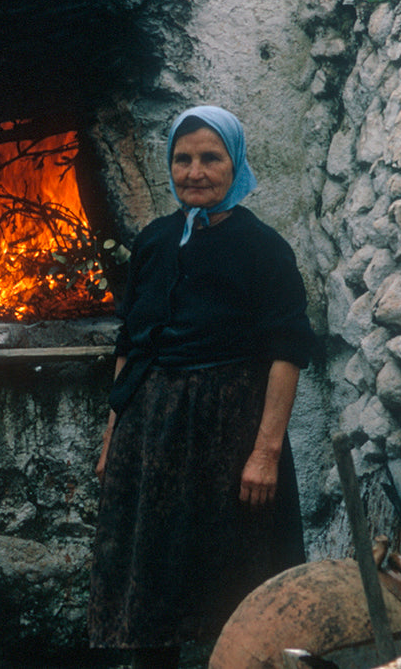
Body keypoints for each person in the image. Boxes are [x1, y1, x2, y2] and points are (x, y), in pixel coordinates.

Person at [87, 105, 317, 669]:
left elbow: (287, 353)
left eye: (210, 158)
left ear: (234, 163)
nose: (195, 171)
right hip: (153, 431)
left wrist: (264, 453)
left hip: (229, 431)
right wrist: (113, 436)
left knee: (239, 572)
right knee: (153, 575)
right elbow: (132, 343)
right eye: (183, 158)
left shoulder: (264, 248)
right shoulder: (155, 242)